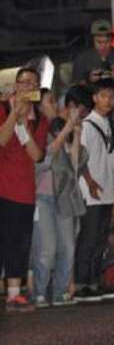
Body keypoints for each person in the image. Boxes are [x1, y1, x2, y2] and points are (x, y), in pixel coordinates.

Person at [30, 90, 87, 308]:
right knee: (47, 248)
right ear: (39, 106)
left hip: (64, 195)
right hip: (42, 197)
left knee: (68, 246)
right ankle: (40, 292)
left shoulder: (59, 127)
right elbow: (45, 156)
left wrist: (77, 132)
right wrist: (67, 128)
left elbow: (75, 164)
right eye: (50, 101)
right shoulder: (36, 129)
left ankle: (61, 290)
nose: (55, 105)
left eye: (55, 101)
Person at [0, 67, 48, 313]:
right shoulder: (2, 109)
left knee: (19, 244)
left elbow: (37, 155)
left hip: (25, 191)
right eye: (22, 82)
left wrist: (22, 124)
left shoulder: (39, 119)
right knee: (4, 242)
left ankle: (14, 296)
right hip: (3, 188)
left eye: (31, 83)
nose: (26, 87)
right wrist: (13, 115)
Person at [74, 79, 114, 303]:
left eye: (111, 97)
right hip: (91, 191)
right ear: (94, 98)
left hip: (105, 189)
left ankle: (94, 281)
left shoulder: (105, 123)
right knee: (89, 237)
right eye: (103, 96)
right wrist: (90, 181)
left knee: (100, 238)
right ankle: (82, 284)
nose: (108, 101)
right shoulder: (87, 125)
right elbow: (79, 156)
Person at [71, 19, 114, 144]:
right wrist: (89, 80)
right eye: (99, 42)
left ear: (112, 40)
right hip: (92, 114)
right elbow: (75, 93)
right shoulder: (83, 59)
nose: (103, 46)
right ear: (93, 40)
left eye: (107, 42)